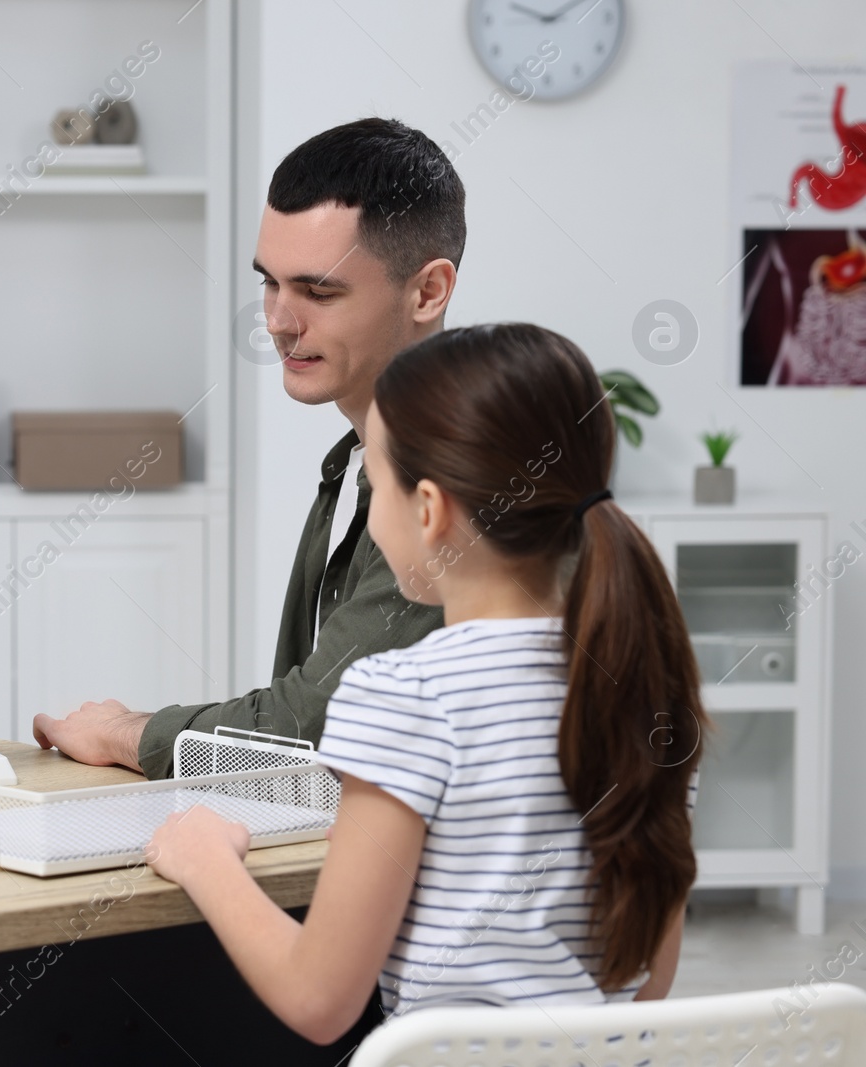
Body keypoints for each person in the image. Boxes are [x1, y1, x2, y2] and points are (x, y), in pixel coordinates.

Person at [145, 323, 706, 1045]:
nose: (372, 508)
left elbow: (318, 999)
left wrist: (203, 857)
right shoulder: (648, 689)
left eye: (375, 483)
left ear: (430, 510)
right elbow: (648, 983)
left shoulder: (404, 694)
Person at [33, 118, 461, 780]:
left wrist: (126, 733)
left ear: (428, 291)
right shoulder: (353, 464)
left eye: (319, 291)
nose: (279, 322)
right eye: (271, 282)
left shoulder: (453, 475)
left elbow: (312, 724)